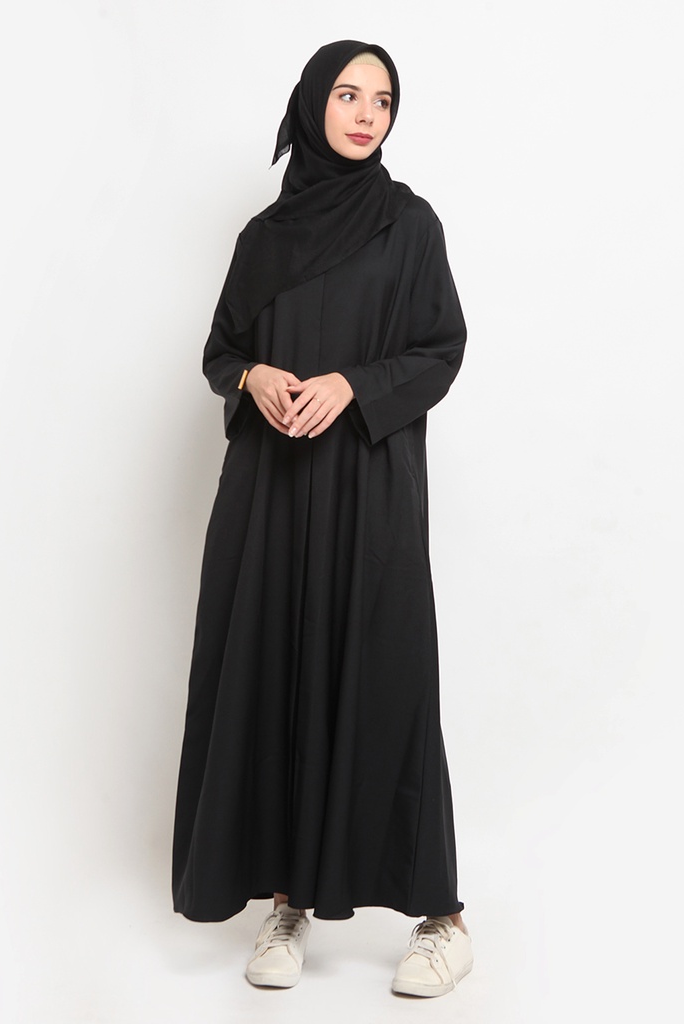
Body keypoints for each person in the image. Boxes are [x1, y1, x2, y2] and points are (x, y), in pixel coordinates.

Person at [171, 40, 471, 998]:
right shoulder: (264, 237)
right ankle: (287, 900)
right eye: (348, 94)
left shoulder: (408, 224)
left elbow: (441, 348)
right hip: (272, 491)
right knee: (278, 674)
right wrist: (253, 376)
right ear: (311, 104)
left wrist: (354, 384)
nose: (366, 113)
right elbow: (222, 351)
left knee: (387, 676)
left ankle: (442, 919)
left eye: (382, 99)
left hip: (370, 489)